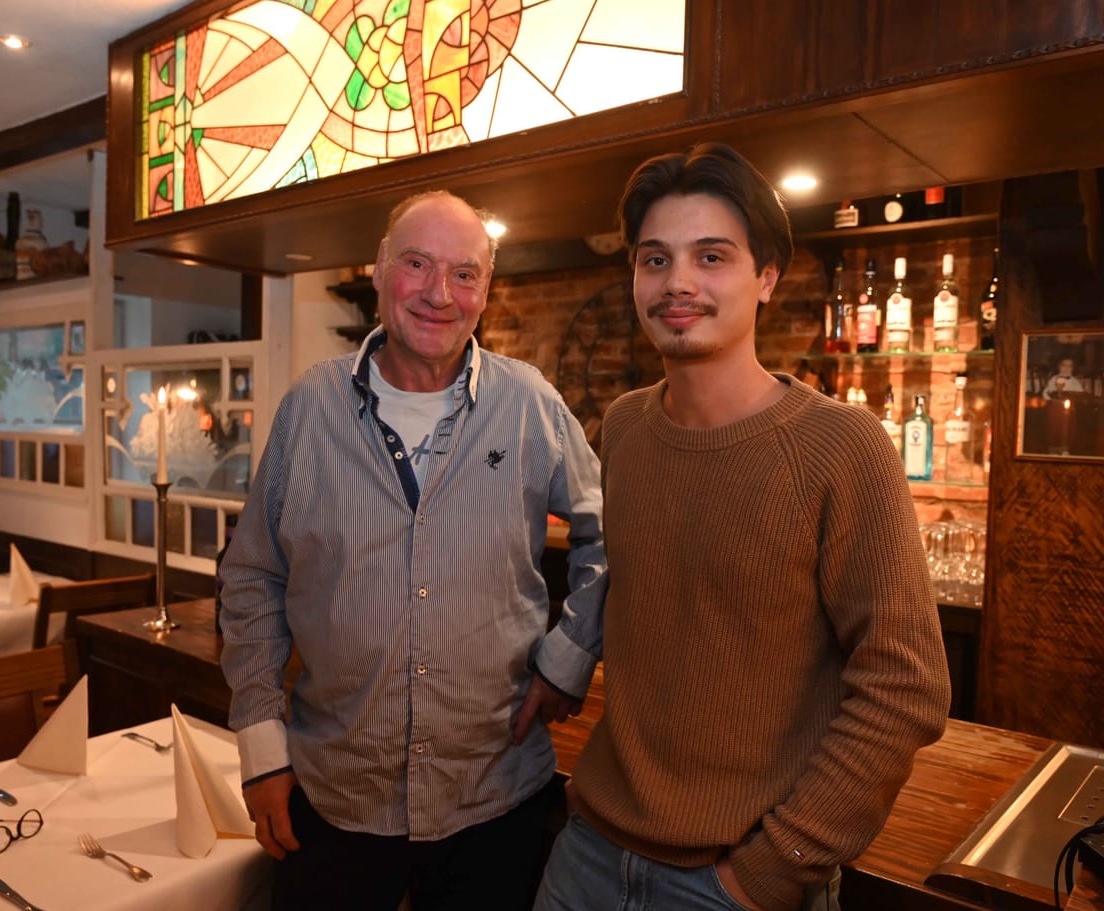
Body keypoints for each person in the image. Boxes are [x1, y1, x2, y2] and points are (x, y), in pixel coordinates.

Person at [533, 143, 951, 911]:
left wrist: (768, 871)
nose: (678, 282)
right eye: (654, 259)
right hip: (588, 853)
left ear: (766, 277)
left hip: (732, 880)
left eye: (712, 256)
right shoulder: (624, 427)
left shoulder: (842, 445)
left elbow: (907, 686)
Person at [219, 190, 607, 910]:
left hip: (494, 795)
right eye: (417, 264)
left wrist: (569, 654)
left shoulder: (528, 403)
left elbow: (607, 531)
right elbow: (251, 579)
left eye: (465, 273)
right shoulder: (311, 407)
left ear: (486, 290)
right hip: (334, 796)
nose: (439, 292)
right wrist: (261, 747)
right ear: (376, 269)